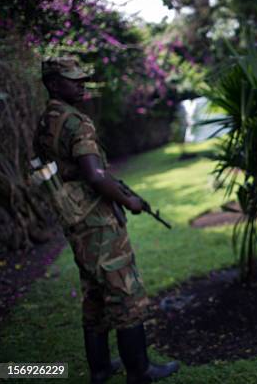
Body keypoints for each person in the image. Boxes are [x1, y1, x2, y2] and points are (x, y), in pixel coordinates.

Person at [34, 56, 179, 384]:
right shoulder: (76, 121)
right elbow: (97, 177)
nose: (81, 83)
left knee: (95, 293)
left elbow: (59, 169)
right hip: (96, 220)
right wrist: (130, 201)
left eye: (82, 78)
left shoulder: (46, 121)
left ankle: (100, 369)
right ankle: (139, 372)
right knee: (125, 292)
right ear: (54, 84)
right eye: (73, 79)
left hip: (74, 219)